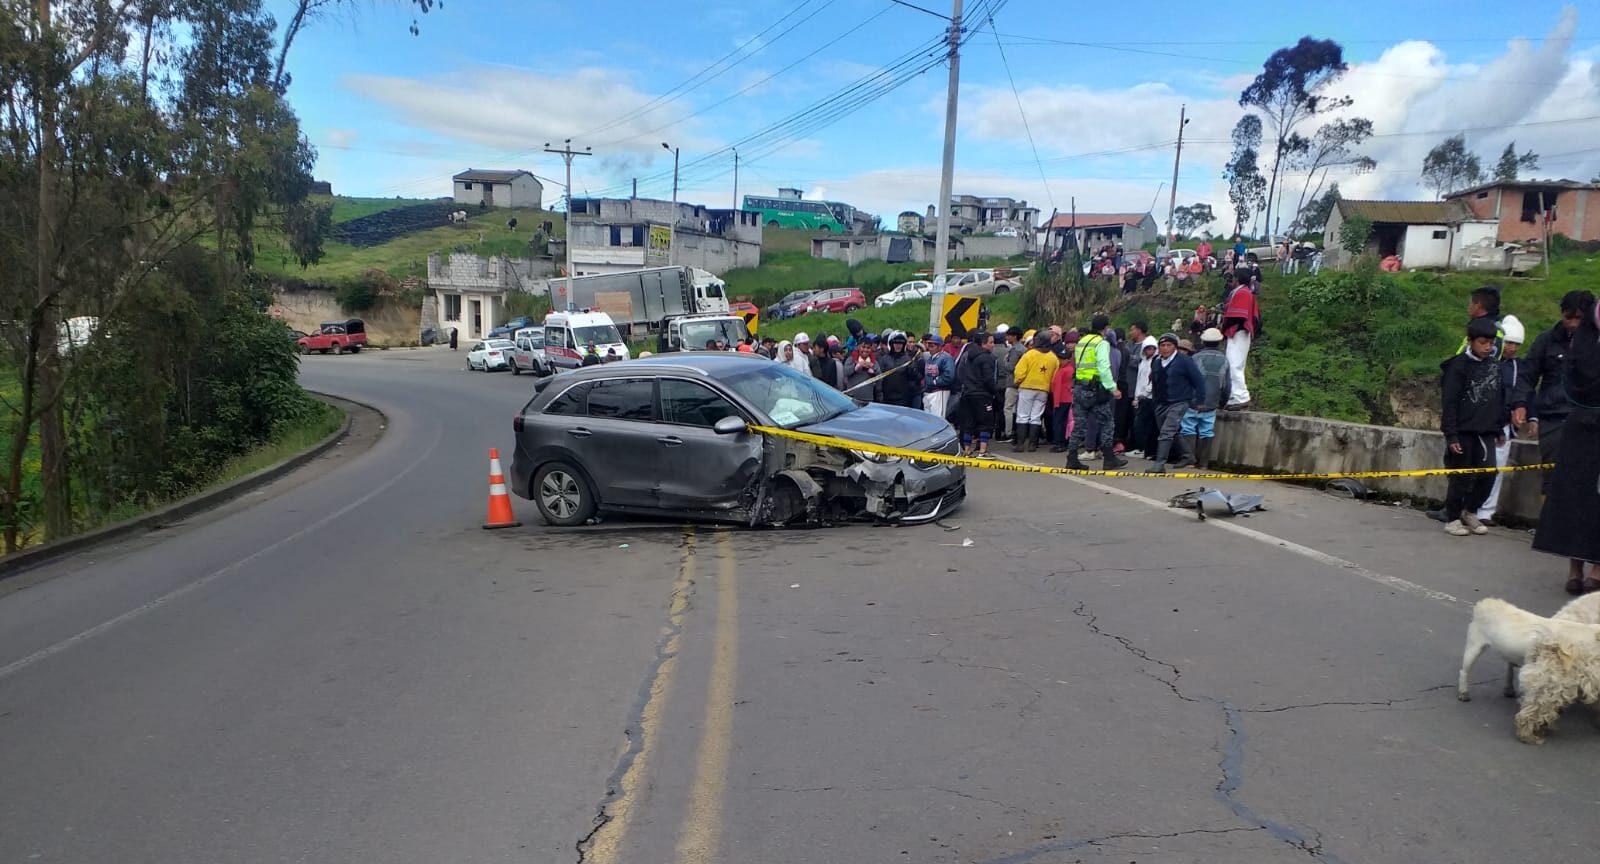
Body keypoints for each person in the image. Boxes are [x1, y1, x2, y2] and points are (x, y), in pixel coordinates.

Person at [1531, 292, 1600, 593]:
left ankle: (1577, 570)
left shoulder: (1580, 350)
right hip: (1580, 427)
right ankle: (1594, 570)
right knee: (1588, 499)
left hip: (1576, 426)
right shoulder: (1561, 344)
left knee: (1575, 497)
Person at [1514, 292, 1590, 498]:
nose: (1573, 324)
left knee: (1584, 477)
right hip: (1553, 419)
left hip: (1587, 421)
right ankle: (1549, 526)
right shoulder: (1547, 341)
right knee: (1552, 477)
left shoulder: (1595, 344)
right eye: (1568, 318)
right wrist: (1521, 404)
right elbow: (1527, 375)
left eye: (1579, 319)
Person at [1440, 318, 1507, 538]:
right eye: (1482, 342)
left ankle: (1471, 511)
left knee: (1488, 474)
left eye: (1491, 343)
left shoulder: (1494, 366)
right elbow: (1449, 403)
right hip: (1462, 431)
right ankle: (1452, 518)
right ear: (1470, 341)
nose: (1487, 347)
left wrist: (1498, 428)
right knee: (1461, 476)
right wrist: (1452, 435)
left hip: (1486, 431)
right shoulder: (1458, 366)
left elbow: (1498, 399)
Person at [1473, 315, 1524, 525]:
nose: (1511, 347)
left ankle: (1486, 512)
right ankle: (1469, 508)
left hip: (1504, 428)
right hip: (1483, 426)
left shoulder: (1518, 367)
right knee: (1476, 469)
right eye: (1509, 342)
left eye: (1517, 344)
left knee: (1497, 472)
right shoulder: (1487, 364)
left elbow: (1519, 394)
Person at [1065, 314, 1128, 470]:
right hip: (1095, 390)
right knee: (1107, 421)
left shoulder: (1082, 342)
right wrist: (1113, 388)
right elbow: (1103, 367)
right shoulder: (1101, 343)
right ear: (1105, 328)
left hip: (1079, 387)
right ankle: (1109, 458)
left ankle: (1072, 458)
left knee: (1080, 423)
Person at [1148, 332, 1205, 473]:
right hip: (1161, 402)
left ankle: (1159, 464)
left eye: (1169, 345)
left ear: (1175, 347)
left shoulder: (1184, 361)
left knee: (1166, 432)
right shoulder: (1156, 361)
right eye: (1162, 345)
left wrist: (1200, 400)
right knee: (1170, 431)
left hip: (1179, 401)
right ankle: (1188, 456)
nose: (1165, 348)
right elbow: (1154, 381)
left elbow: (1198, 381)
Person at [1185, 328, 1232, 469]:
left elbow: (1188, 380)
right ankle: (1204, 463)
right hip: (1212, 402)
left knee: (1188, 429)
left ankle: (1190, 460)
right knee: (1207, 430)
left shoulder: (1195, 358)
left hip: (1193, 401)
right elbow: (1227, 385)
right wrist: (1222, 402)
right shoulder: (1225, 360)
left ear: (1203, 341)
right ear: (1219, 342)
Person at [955, 331, 999, 458]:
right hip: (982, 394)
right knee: (986, 422)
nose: (993, 345)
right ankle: (982, 451)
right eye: (991, 342)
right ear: (983, 344)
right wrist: (994, 392)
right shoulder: (987, 358)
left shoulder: (968, 356)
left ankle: (967, 450)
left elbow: (961, 373)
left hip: (967, 393)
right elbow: (988, 379)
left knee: (969, 423)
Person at [1012, 333, 1059, 452]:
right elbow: (1055, 376)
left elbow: (1019, 372)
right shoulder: (1053, 357)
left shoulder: (1029, 354)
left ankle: (1020, 444)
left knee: (1023, 415)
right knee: (1036, 417)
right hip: (1043, 390)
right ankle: (1032, 445)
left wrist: (1018, 381)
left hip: (1027, 387)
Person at [1219, 276, 1259, 410]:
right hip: (1241, 332)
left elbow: (1237, 315)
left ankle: (1241, 397)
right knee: (1236, 365)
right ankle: (1234, 397)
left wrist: (1223, 328)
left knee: (1234, 365)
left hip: (1238, 331)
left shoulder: (1242, 292)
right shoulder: (1246, 291)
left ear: (1238, 279)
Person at [877, 332, 923, 409]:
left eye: (900, 343)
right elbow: (879, 378)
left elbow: (916, 378)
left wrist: (912, 369)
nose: (898, 345)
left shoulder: (908, 359)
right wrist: (880, 395)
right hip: (886, 398)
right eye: (896, 343)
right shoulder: (884, 359)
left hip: (903, 399)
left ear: (904, 345)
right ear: (891, 344)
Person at [1131, 335, 1159, 457]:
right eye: (1148, 348)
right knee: (1138, 425)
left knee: (1145, 425)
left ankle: (1145, 449)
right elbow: (1139, 380)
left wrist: (1146, 393)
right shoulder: (1143, 362)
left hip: (1150, 398)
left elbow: (1153, 381)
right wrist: (1136, 397)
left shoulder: (1156, 362)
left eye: (1152, 348)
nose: (1150, 351)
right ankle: (1142, 448)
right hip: (1141, 398)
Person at [1047, 337, 1077, 453]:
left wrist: (1056, 402)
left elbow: (1058, 386)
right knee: (1062, 421)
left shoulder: (1065, 370)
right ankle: (1061, 442)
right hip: (1064, 399)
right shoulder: (1067, 369)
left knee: (1058, 422)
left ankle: (1059, 442)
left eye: (1063, 359)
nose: (1061, 360)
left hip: (1062, 399)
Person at [998, 327, 1027, 443]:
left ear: (1014, 336)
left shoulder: (1015, 350)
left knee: (1008, 408)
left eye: (1009, 335)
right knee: (1019, 409)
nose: (1007, 337)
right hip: (1022, 382)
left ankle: (1008, 432)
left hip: (1012, 382)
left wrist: (1005, 361)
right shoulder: (1023, 349)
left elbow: (1010, 367)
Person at [921, 335, 956, 418]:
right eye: (929, 345)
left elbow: (949, 376)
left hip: (940, 392)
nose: (930, 348)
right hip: (929, 392)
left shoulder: (946, 358)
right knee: (929, 419)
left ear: (940, 346)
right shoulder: (930, 358)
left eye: (932, 346)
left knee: (938, 418)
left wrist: (935, 382)